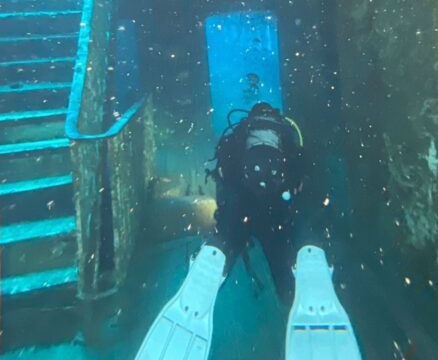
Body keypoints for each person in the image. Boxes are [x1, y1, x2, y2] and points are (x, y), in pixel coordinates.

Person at [135, 102, 362, 360]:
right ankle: (307, 266)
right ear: (274, 116)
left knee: (228, 240)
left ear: (251, 116)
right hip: (277, 211)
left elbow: (223, 171)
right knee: (289, 255)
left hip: (242, 208)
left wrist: (228, 212)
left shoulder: (241, 132)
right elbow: (303, 173)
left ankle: (213, 256)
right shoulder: (286, 133)